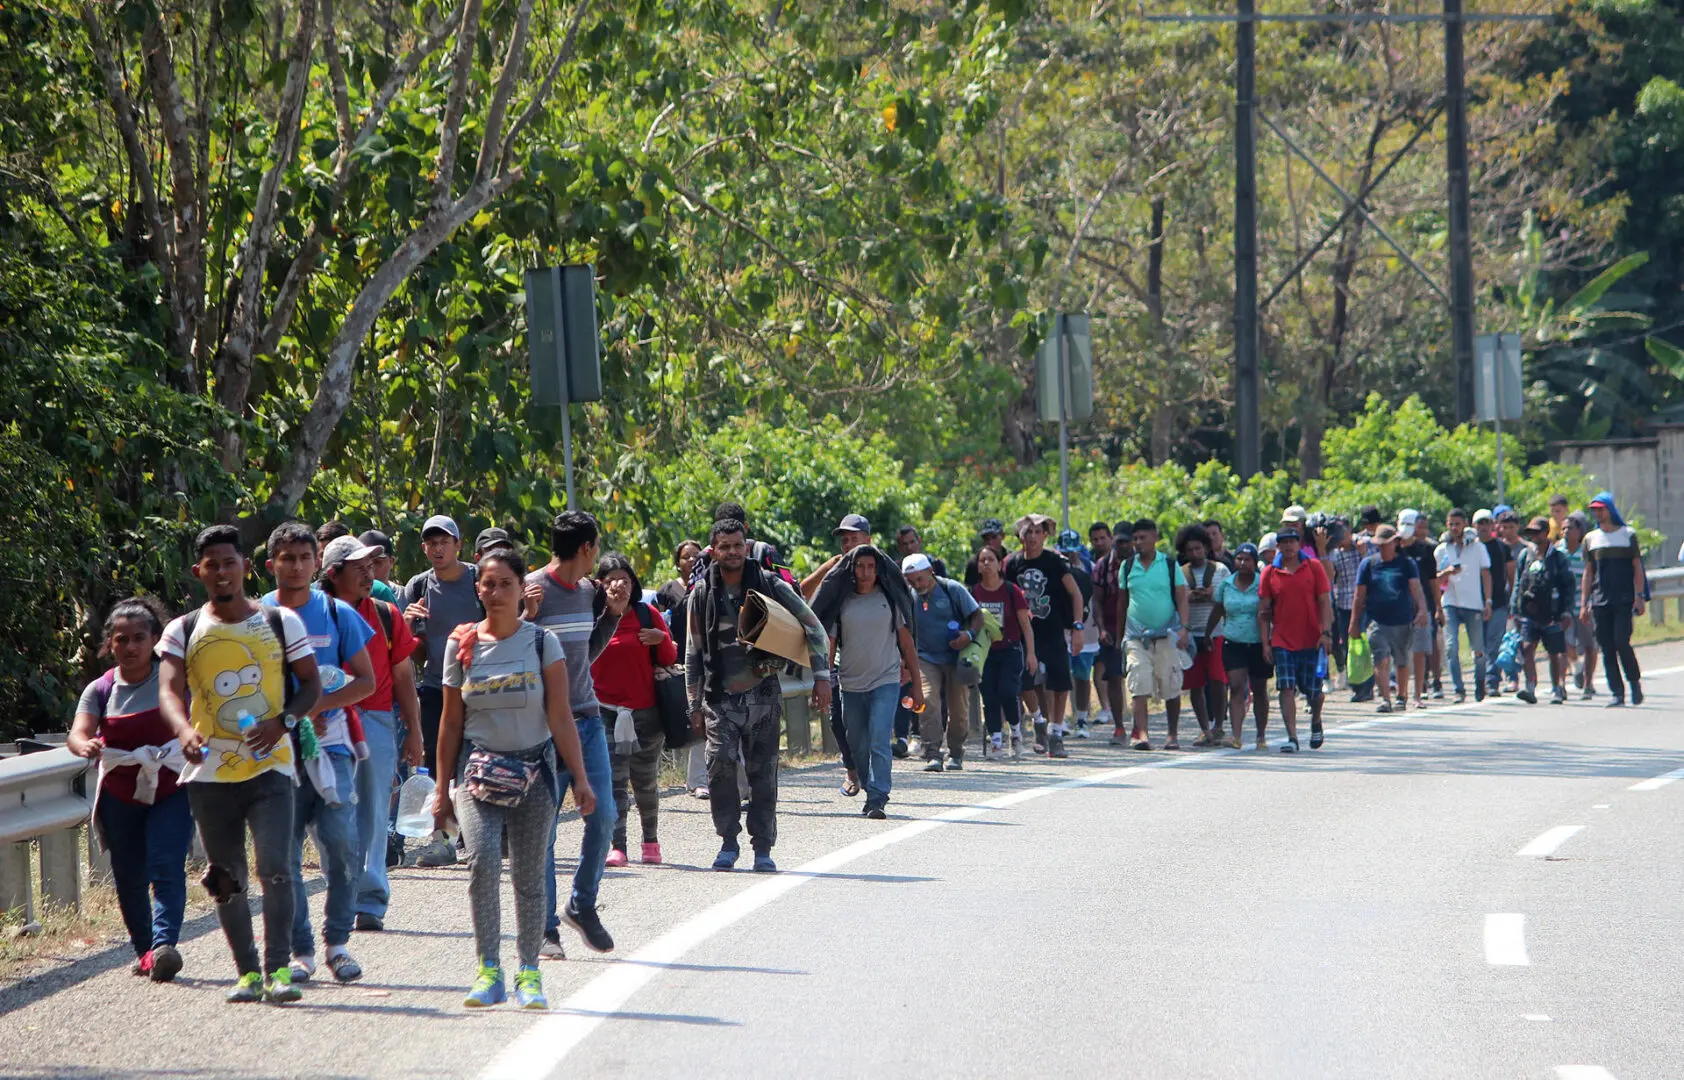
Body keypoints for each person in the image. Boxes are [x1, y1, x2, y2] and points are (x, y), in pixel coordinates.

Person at [158, 524, 321, 1004]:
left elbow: (311, 685)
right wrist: (184, 732)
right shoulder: (183, 629)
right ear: (199, 572)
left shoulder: (280, 622)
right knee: (225, 874)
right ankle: (247, 972)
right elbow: (168, 691)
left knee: (275, 868)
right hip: (210, 774)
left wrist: (283, 721)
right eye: (213, 564)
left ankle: (279, 971)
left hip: (270, 765)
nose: (223, 571)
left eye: (231, 562)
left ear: (246, 567)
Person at [431, 549, 597, 1010]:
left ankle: (529, 972)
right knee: (482, 862)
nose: (497, 593)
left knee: (529, 875)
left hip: (535, 772)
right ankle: (489, 970)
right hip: (478, 772)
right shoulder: (460, 646)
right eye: (489, 584)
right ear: (477, 589)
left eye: (507, 583)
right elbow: (449, 724)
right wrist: (441, 791)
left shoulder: (542, 643)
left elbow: (560, 716)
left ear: (523, 587)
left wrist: (580, 779)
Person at [261, 522, 377, 985]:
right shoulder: (253, 615)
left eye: (303, 557)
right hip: (273, 756)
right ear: (270, 565)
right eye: (285, 558)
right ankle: (301, 950)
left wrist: (317, 706)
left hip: (331, 752)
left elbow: (365, 682)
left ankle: (338, 943)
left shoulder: (336, 612)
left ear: (317, 564)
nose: (294, 566)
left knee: (341, 845)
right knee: (282, 857)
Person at [687, 518, 831, 872]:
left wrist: (822, 678)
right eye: (725, 546)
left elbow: (813, 626)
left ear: (746, 546)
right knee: (719, 765)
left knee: (763, 773)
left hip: (763, 694)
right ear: (714, 550)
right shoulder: (702, 593)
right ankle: (728, 841)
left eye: (738, 545)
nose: (733, 552)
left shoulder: (768, 584)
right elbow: (692, 652)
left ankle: (763, 847)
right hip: (719, 698)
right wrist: (693, 705)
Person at [68, 596, 192, 983]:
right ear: (110, 643)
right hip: (120, 794)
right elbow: (79, 732)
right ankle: (144, 952)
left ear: (156, 638)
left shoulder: (176, 678)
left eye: (140, 637)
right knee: (129, 873)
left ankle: (164, 944)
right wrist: (84, 746)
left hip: (171, 786)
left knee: (166, 864)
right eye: (122, 639)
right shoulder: (100, 689)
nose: (131, 647)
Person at [522, 510, 620, 958]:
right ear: (587, 548)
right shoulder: (529, 589)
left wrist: (613, 615)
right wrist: (526, 615)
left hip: (587, 721)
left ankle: (581, 903)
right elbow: (504, 649)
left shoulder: (588, 593)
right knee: (542, 833)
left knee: (603, 816)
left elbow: (585, 654)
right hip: (540, 730)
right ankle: (545, 930)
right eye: (596, 546)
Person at [317, 536, 424, 934]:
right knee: (328, 812)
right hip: (322, 720)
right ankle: (341, 889)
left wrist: (413, 732)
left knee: (375, 811)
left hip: (376, 720)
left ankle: (370, 900)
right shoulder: (311, 614)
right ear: (333, 573)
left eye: (371, 565)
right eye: (358, 567)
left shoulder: (384, 613)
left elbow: (402, 676)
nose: (368, 573)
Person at [397, 514, 480, 866]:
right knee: (439, 766)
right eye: (431, 543)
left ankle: (479, 837)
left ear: (458, 545)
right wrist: (408, 627)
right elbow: (413, 652)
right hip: (436, 687)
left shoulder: (478, 580)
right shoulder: (418, 587)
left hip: (481, 686)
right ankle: (444, 840)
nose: (437, 548)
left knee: (476, 764)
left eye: (444, 541)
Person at [818, 545, 921, 817]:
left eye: (871, 567)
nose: (865, 572)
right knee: (858, 743)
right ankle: (867, 784)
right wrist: (825, 680)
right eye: (860, 566)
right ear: (852, 570)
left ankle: (878, 796)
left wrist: (917, 686)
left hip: (885, 680)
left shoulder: (889, 600)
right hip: (850, 683)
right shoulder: (843, 602)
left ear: (878, 570)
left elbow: (906, 643)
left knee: (878, 737)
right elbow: (829, 644)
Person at [591, 553, 677, 866]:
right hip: (605, 713)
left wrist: (661, 638)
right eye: (611, 579)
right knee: (613, 781)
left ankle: (651, 842)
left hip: (646, 713)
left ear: (633, 584)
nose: (618, 585)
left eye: (624, 579)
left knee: (645, 781)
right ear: (600, 584)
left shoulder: (646, 614)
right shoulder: (594, 617)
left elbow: (668, 659)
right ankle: (618, 846)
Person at [801, 515, 872, 795]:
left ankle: (874, 776)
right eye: (844, 539)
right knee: (837, 719)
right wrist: (826, 569)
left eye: (854, 538)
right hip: (838, 657)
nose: (848, 544)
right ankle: (852, 770)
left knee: (870, 721)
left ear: (867, 539)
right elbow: (799, 595)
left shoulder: (879, 570)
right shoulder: (834, 572)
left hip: (875, 657)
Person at [1004, 514, 1084, 756]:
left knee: (1060, 683)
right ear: (1020, 535)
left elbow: (1076, 594)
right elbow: (1005, 594)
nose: (1033, 537)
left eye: (1038, 532)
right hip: (1023, 633)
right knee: (1023, 681)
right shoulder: (1012, 563)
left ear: (1045, 535)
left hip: (1052, 630)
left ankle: (1056, 731)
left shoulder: (1055, 562)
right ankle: (1038, 719)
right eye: (1028, 532)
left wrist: (1078, 626)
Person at [904, 552, 985, 769]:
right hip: (924, 657)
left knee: (958, 708)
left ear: (931, 572)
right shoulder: (908, 597)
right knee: (927, 700)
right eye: (911, 581)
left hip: (955, 657)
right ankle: (933, 753)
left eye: (920, 579)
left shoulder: (952, 589)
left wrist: (967, 636)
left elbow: (978, 616)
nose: (916, 585)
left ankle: (956, 751)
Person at [1116, 519, 1191, 751]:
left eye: (1143, 538)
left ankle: (1172, 734)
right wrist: (1120, 636)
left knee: (1170, 683)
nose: (1138, 543)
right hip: (1136, 636)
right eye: (1135, 539)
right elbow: (1122, 603)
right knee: (1139, 681)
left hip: (1166, 634)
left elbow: (1181, 597)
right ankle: (1141, 734)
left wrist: (1184, 628)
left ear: (1155, 537)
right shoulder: (1127, 566)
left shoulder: (1169, 565)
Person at [1258, 527, 1332, 753]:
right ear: (1277, 546)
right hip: (1282, 640)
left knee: (1314, 691)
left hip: (1311, 638)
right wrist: (1265, 643)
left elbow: (1324, 602)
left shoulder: (1314, 567)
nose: (1288, 546)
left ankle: (1316, 721)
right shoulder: (1270, 573)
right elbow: (1263, 611)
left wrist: (1326, 633)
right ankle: (1292, 737)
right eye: (1283, 542)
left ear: (1299, 544)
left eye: (1292, 542)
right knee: (1286, 687)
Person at [1348, 525, 1427, 714]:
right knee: (1380, 658)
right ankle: (1385, 698)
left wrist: (1422, 610)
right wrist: (1354, 622)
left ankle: (1402, 696)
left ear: (1396, 543)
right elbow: (1359, 596)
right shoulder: (1368, 565)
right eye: (1380, 545)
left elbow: (1416, 589)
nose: (1382, 548)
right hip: (1377, 620)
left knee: (1401, 660)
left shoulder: (1407, 564)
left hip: (1402, 619)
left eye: (1386, 544)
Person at [1581, 491, 1647, 706]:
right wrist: (1584, 602)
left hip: (1623, 598)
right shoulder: (1591, 539)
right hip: (1600, 600)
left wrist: (1639, 596)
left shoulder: (1628, 535)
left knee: (1621, 641)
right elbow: (1589, 572)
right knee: (1607, 646)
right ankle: (1617, 692)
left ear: (1610, 509)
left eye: (1601, 509)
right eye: (1594, 510)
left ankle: (1634, 683)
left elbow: (1637, 566)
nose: (1598, 514)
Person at [971, 546, 1036, 759]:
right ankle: (996, 740)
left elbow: (1025, 625)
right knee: (989, 695)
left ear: (1000, 564)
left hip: (1010, 649)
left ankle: (1016, 732)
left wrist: (1031, 654)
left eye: (991, 559)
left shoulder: (1011, 590)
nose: (987, 563)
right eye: (982, 560)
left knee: (1008, 691)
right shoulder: (974, 593)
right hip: (985, 652)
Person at [1207, 544, 1270, 750]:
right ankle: (1236, 735)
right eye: (1239, 559)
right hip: (1233, 642)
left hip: (1258, 643)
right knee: (1235, 686)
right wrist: (1207, 634)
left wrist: (1269, 643)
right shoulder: (1226, 585)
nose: (1243, 563)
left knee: (1259, 689)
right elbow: (1217, 610)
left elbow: (1270, 611)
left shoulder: (1263, 583)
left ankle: (1261, 735)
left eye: (1247, 559)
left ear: (1254, 562)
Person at [1510, 517, 1576, 704]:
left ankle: (1557, 687)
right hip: (1529, 612)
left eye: (1537, 532)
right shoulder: (1525, 555)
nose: (1533, 536)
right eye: (1531, 532)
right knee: (1527, 648)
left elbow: (1568, 586)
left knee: (1554, 653)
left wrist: (1566, 611)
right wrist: (1515, 608)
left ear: (1546, 533)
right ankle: (1530, 686)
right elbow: (1518, 583)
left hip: (1553, 612)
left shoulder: (1558, 558)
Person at [1175, 524, 1229, 746]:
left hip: (1216, 633)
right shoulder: (1180, 573)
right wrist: (1189, 597)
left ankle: (1219, 726)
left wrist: (1211, 595)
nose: (1195, 554)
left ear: (1206, 548)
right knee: (1195, 684)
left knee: (1218, 680)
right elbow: (1176, 599)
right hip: (1191, 634)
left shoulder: (1221, 570)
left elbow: (1228, 597)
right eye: (1190, 550)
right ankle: (1204, 728)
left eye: (1198, 548)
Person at [1435, 508, 1492, 703]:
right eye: (1451, 524)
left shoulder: (1476, 547)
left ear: (1464, 524)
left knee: (1478, 648)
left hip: (1473, 602)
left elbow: (1486, 573)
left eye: (1457, 524)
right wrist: (1448, 572)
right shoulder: (1442, 549)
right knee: (1451, 647)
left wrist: (1488, 601)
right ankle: (1458, 689)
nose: (1454, 528)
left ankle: (1480, 681)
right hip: (1450, 602)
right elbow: (1434, 579)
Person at [1088, 521, 1128, 741]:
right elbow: (1097, 600)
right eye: (1119, 540)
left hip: (1139, 627)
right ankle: (1119, 726)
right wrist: (1102, 629)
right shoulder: (1102, 567)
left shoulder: (1140, 565)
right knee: (1113, 676)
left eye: (1126, 541)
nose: (1121, 545)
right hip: (1112, 629)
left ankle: (1142, 727)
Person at [1057, 530, 1099, 737]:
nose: (1069, 556)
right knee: (1060, 676)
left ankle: (1082, 718)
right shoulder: (1055, 568)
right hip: (1060, 631)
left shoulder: (1089, 568)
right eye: (1065, 552)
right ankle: (1060, 719)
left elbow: (1095, 599)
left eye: (1072, 552)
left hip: (1086, 630)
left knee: (1082, 676)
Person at [1400, 510, 1442, 703]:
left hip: (1423, 605)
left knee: (1423, 647)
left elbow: (1433, 581)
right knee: (1401, 649)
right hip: (1400, 606)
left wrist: (1438, 608)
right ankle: (1403, 690)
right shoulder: (1394, 549)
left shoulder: (1425, 550)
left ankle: (1424, 686)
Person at [1556, 511, 1599, 699]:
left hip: (1584, 605)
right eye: (1563, 528)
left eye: (1570, 528)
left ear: (1580, 531)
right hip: (1564, 606)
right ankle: (1564, 682)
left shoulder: (1588, 550)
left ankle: (1589, 683)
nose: (1566, 531)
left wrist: (1588, 602)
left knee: (1589, 645)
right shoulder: (1558, 551)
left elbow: (1593, 576)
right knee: (1565, 645)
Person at [1474, 509, 1513, 698]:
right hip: (1474, 603)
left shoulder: (1502, 548)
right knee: (1479, 644)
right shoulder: (1470, 548)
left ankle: (1492, 681)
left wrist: (1512, 598)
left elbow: (1511, 575)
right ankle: (1479, 680)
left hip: (1498, 602)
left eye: (1486, 523)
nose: (1483, 527)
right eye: (1479, 523)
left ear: (1493, 526)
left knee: (1494, 642)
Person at [1327, 521, 1362, 690]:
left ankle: (1367, 676)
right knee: (1344, 641)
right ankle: (1350, 674)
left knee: (1365, 640)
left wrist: (1363, 552)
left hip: (1361, 602)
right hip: (1342, 602)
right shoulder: (1334, 553)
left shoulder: (1361, 545)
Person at [358, 530, 400, 605]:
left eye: (377, 562)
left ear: (391, 562)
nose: (370, 569)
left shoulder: (405, 596)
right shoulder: (350, 598)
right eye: (363, 564)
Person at [963, 518, 1009, 586]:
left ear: (1002, 536)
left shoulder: (1010, 560)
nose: (990, 542)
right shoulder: (974, 563)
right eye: (986, 538)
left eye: (994, 537)